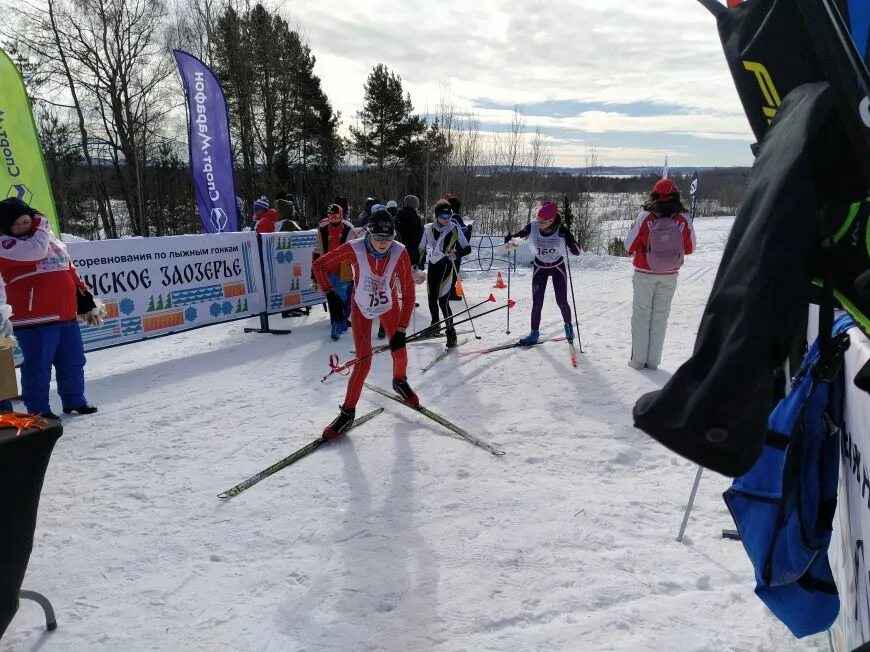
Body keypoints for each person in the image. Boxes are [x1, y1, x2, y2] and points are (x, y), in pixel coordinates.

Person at [313, 209, 418, 438]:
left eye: (388, 238)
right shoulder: (355, 247)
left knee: (400, 352)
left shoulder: (400, 252)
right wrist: (330, 293)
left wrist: (401, 329)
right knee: (364, 362)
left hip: (389, 305)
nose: (383, 243)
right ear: (368, 233)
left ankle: (399, 381)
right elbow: (319, 265)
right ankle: (347, 413)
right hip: (361, 306)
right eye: (378, 238)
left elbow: (409, 294)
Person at [0, 198, 103, 418]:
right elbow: (34, 253)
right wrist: (41, 223)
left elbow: (68, 267)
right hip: (33, 319)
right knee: (38, 369)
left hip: (65, 314)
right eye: (15, 224)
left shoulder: (47, 237)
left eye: (25, 221)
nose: (21, 227)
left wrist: (84, 297)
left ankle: (75, 400)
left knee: (73, 362)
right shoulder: (5, 243)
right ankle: (39, 410)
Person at [624, 178, 695, 370]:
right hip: (670, 274)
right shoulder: (683, 218)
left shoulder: (644, 217)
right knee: (660, 317)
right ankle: (653, 362)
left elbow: (628, 246)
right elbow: (690, 248)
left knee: (641, 315)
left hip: (644, 272)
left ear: (654, 196)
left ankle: (638, 360)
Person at [504, 201, 581, 345]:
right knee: (537, 303)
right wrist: (509, 240)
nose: (539, 223)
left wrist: (570, 241)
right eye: (538, 219)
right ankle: (534, 334)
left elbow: (577, 252)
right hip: (540, 268)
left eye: (543, 221)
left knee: (562, 301)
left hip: (557, 267)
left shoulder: (561, 230)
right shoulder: (532, 227)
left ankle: (569, 327)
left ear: (552, 220)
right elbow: (515, 241)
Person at [421, 199, 471, 348]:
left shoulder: (454, 228)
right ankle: (435, 324)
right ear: (436, 215)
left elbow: (467, 248)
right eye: (443, 217)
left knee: (443, 301)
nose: (446, 219)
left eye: (449, 216)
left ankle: (451, 332)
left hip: (447, 267)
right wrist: (416, 263)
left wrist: (456, 253)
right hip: (433, 266)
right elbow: (421, 248)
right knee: (431, 298)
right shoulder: (428, 228)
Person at [312, 204, 356, 340]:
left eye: (336, 216)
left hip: (344, 271)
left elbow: (355, 250)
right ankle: (336, 323)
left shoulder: (349, 230)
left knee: (342, 298)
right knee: (332, 299)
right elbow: (317, 251)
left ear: (341, 216)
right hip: (327, 271)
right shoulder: (323, 231)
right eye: (330, 216)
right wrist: (314, 274)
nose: (333, 219)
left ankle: (340, 323)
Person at [444, 194, 471, 300]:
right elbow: (463, 233)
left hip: (447, 248)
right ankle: (450, 292)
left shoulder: (445, 216)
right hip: (456, 248)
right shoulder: (455, 217)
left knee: (448, 271)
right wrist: (469, 229)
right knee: (453, 271)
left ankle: (446, 291)